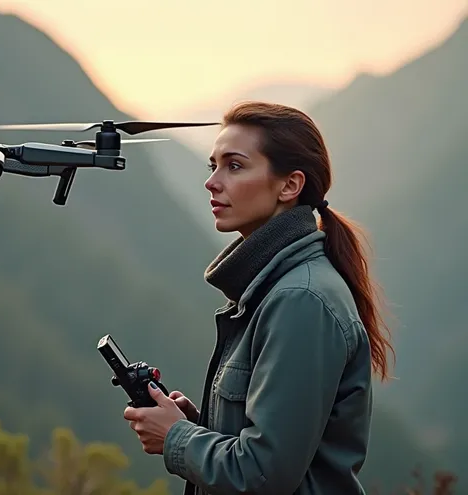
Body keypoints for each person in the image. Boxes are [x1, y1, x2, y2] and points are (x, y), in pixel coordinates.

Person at [122, 101, 395, 494]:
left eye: (234, 166)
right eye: (212, 165)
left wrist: (176, 439)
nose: (212, 182)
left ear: (290, 185)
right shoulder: (274, 289)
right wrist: (196, 427)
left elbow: (264, 475)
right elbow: (275, 449)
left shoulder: (301, 300)